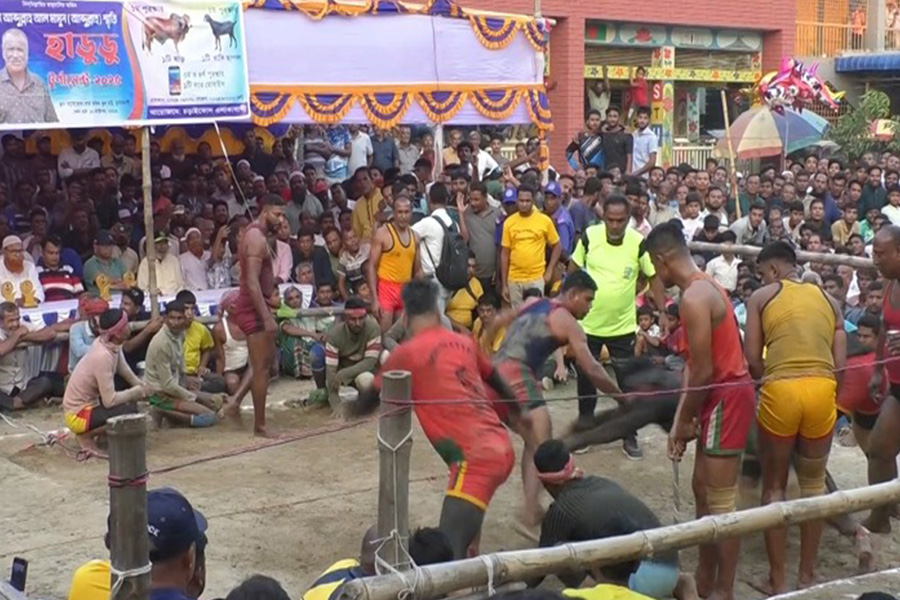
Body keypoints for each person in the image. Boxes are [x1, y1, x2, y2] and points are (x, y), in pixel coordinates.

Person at [353, 279, 519, 558]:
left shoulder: (406, 354)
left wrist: (350, 409)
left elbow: (368, 402)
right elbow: (496, 379)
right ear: (437, 310)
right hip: (498, 444)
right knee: (464, 528)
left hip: (474, 461)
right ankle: (471, 555)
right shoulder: (463, 341)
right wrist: (518, 410)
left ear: (405, 316)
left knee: (443, 555)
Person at [642, 222, 755, 600]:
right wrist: (680, 421)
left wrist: (685, 419)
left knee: (720, 499)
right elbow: (694, 365)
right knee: (701, 489)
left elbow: (704, 369)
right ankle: (707, 580)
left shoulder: (695, 296)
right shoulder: (702, 287)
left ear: (662, 260)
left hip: (725, 394)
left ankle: (723, 589)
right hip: (715, 394)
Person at [743, 241, 845, 594]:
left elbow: (753, 360)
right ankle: (806, 576)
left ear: (771, 271)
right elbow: (840, 365)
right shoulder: (830, 301)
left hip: (781, 389)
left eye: (761, 274)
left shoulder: (761, 297)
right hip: (821, 390)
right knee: (814, 487)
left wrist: (768, 383)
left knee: (774, 487)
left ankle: (777, 579)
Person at [489, 270, 625, 529]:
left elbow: (498, 321)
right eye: (588, 299)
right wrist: (622, 397)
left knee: (535, 441)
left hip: (495, 372)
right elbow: (593, 370)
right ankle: (529, 512)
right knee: (543, 444)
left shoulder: (534, 302)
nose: (590, 306)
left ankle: (530, 508)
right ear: (573, 295)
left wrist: (486, 354)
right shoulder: (567, 321)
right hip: (517, 374)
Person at [529, 440, 695, 600]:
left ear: (545, 483)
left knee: (559, 553)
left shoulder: (560, 510)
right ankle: (683, 587)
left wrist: (510, 584)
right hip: (671, 567)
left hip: (641, 578)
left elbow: (541, 566)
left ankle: (596, 592)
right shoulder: (601, 483)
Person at [570, 194, 667, 460]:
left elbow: (652, 275)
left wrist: (661, 311)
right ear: (603, 218)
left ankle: (629, 434)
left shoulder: (637, 242)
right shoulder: (590, 237)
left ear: (628, 219)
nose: (614, 225)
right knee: (586, 381)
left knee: (628, 384)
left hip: (623, 326)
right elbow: (573, 269)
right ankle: (585, 429)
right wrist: (568, 306)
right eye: (610, 220)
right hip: (588, 324)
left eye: (620, 221)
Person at [224, 195, 284, 436]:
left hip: (257, 304)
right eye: (277, 215)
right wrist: (266, 316)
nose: (281, 220)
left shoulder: (257, 235)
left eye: (283, 215)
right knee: (261, 368)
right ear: (265, 211)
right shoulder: (256, 238)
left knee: (264, 361)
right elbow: (251, 281)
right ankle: (260, 425)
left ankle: (237, 401)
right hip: (253, 309)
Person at [63, 308, 149, 452]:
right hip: (78, 415)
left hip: (90, 407)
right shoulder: (102, 356)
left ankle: (101, 434)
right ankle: (86, 435)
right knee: (130, 410)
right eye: (126, 325)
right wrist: (136, 392)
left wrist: (142, 386)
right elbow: (110, 400)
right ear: (117, 333)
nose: (129, 328)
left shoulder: (110, 343)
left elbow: (124, 370)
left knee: (130, 402)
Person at [864, 226, 900, 535]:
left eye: (881, 254)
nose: (875, 259)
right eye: (873, 253)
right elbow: (885, 327)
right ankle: (881, 515)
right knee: (879, 451)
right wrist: (878, 369)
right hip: (898, 386)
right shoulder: (890, 285)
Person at [144, 300, 217, 428]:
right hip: (160, 394)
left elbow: (179, 366)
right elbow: (167, 385)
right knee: (209, 416)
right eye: (172, 318)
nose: (175, 322)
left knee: (216, 403)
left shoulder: (180, 334)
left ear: (185, 319)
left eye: (179, 318)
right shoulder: (161, 343)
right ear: (165, 319)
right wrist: (193, 397)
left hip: (175, 386)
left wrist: (187, 382)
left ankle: (175, 413)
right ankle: (163, 411)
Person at [500, 184, 561, 308]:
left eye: (527, 201)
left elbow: (557, 246)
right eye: (521, 201)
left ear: (533, 201)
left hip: (536, 278)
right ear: (517, 200)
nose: (524, 204)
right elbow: (505, 254)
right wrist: (504, 284)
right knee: (518, 318)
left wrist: (549, 271)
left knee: (535, 315)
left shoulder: (544, 220)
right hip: (514, 279)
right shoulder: (509, 223)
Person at [0, 301, 67, 410]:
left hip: (23, 386)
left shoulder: (22, 326)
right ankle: (20, 404)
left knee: (45, 382)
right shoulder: (14, 331)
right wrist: (17, 335)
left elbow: (50, 333)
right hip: (2, 388)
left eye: (17, 319)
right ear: (1, 322)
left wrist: (24, 337)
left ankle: (18, 403)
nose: (16, 324)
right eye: (11, 321)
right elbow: (1, 350)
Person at [369, 195, 421, 332]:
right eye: (400, 212)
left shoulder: (415, 237)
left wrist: (416, 296)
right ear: (394, 213)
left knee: (402, 335)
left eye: (406, 212)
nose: (403, 216)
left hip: (405, 289)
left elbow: (418, 271)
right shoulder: (383, 234)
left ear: (411, 212)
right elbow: (371, 266)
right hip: (386, 288)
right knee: (384, 333)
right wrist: (374, 298)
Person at [325, 297, 382, 417]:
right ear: (345, 318)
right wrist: (336, 404)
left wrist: (343, 374)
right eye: (353, 319)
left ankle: (367, 404)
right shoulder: (334, 335)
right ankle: (325, 394)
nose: (357, 323)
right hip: (343, 369)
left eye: (361, 318)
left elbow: (370, 362)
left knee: (367, 380)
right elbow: (331, 371)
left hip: (363, 371)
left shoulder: (373, 328)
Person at [0, 28, 57, 124]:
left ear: (27, 54)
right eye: (10, 49)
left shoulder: (39, 85)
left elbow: (54, 124)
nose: (15, 55)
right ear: (3, 53)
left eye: (20, 50)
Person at [0, 235, 44, 304]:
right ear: (5, 252)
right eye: (13, 251)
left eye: (20, 251)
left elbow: (39, 293)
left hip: (29, 309)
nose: (17, 255)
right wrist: (15, 302)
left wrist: (29, 301)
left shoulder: (29, 267)